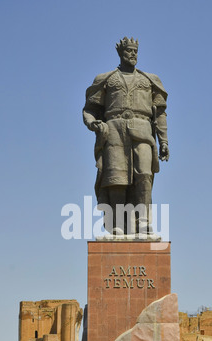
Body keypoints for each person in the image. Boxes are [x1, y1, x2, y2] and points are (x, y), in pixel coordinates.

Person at [83, 37, 169, 236]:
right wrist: (93, 123)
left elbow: (161, 113)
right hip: (113, 129)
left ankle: (144, 221)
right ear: (121, 54)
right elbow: (89, 109)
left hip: (143, 128)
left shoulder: (149, 80)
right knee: (116, 178)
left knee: (144, 175)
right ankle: (119, 224)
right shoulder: (106, 79)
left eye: (135, 52)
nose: (133, 55)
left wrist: (163, 140)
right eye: (129, 52)